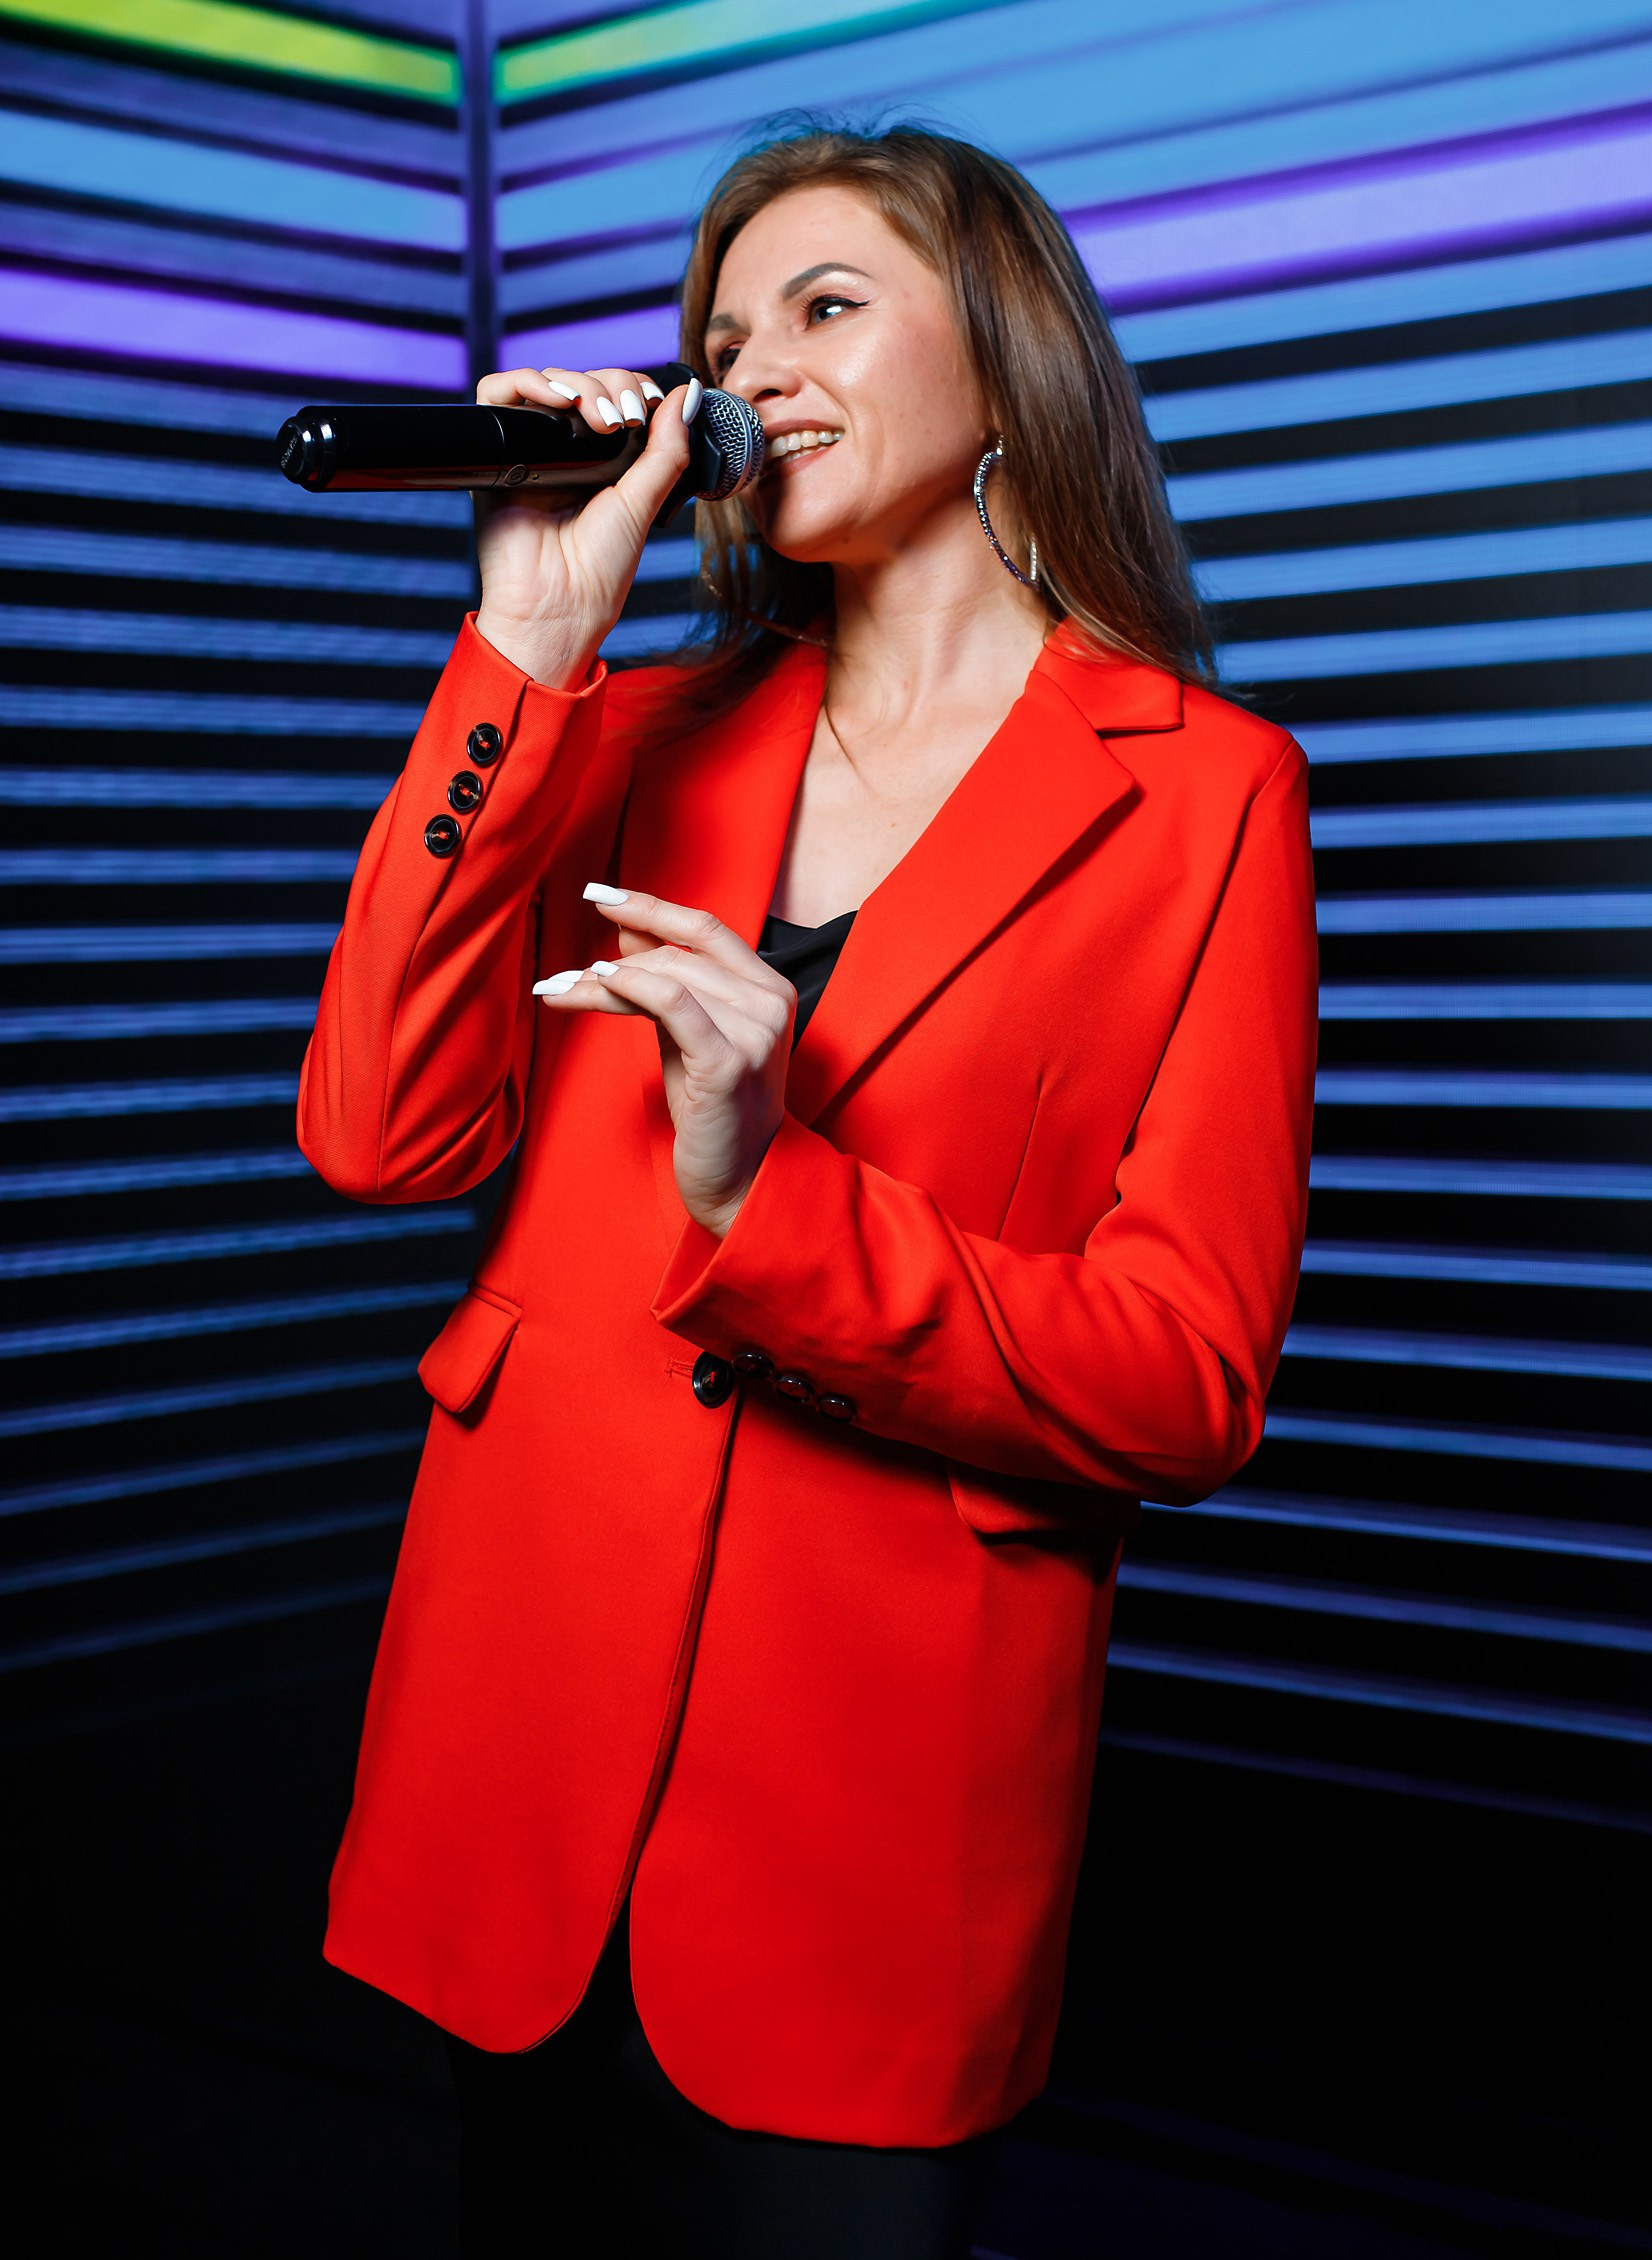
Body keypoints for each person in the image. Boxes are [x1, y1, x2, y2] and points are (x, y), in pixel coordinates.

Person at [298, 123, 1317, 2257]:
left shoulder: (1207, 796)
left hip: (867, 1822)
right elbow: (380, 1132)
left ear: (1009, 352)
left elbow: (1189, 1376)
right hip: (523, 1756)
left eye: (824, 307)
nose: (747, 368)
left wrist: (774, 1196)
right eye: (722, 332)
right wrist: (524, 647)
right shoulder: (619, 727)